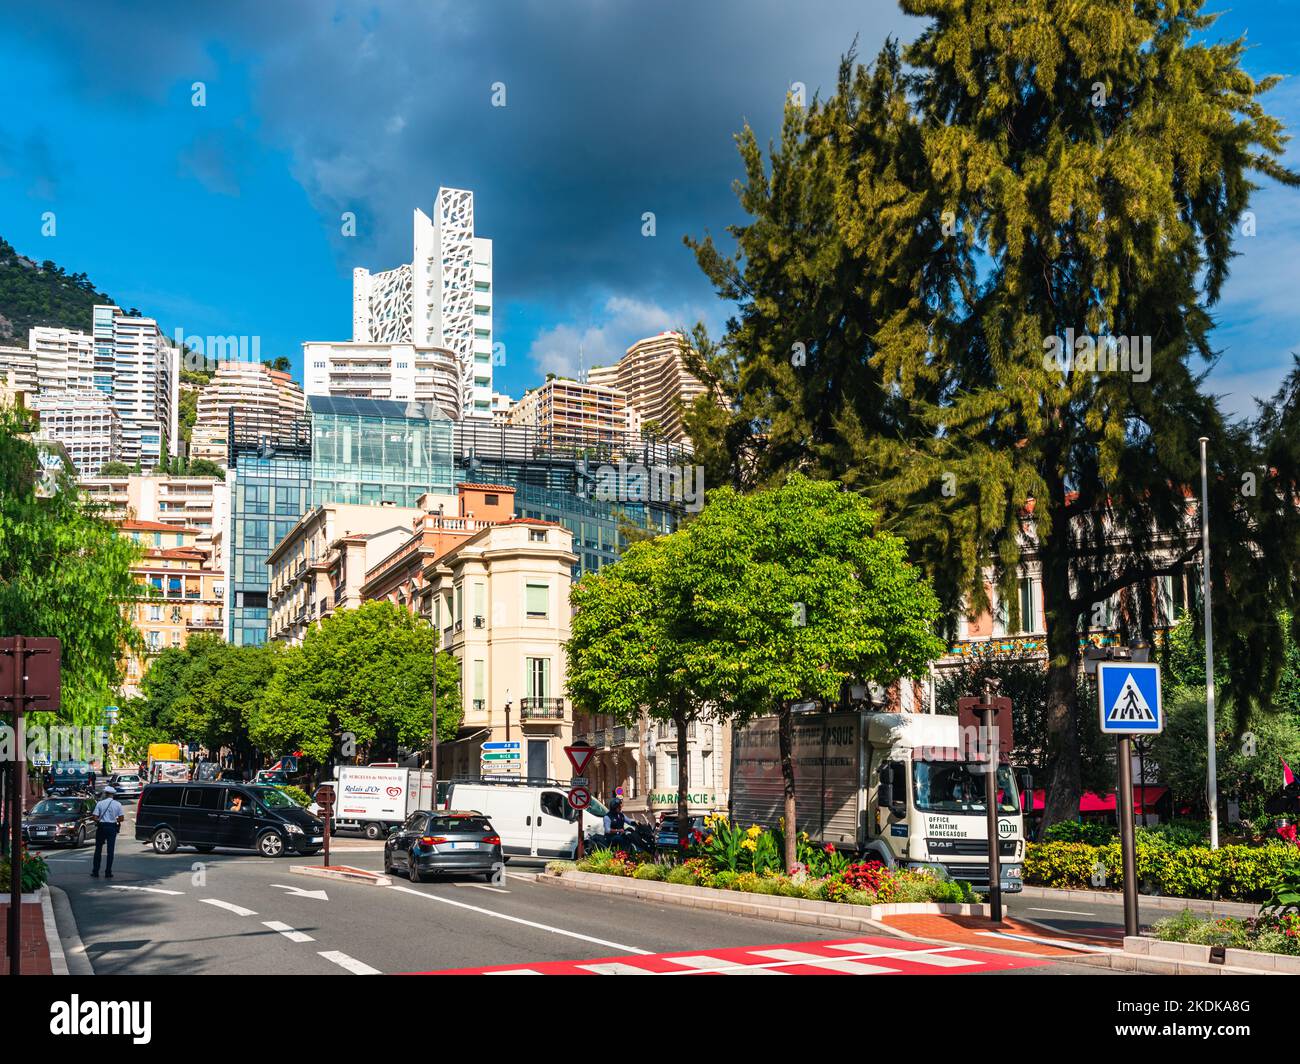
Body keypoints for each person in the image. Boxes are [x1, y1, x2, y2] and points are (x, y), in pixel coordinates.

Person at [90, 785, 125, 879]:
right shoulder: (118, 804)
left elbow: (94, 817)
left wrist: (99, 821)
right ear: (113, 794)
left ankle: (95, 871)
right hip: (112, 827)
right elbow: (121, 818)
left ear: (105, 794)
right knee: (110, 851)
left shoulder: (100, 803)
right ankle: (108, 872)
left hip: (101, 827)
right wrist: (115, 819)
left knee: (98, 850)